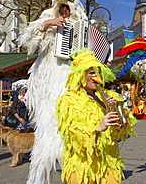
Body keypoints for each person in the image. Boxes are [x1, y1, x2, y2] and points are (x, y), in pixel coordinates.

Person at [18, 0, 88, 183]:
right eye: (62, 7)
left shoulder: (80, 25)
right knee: (48, 126)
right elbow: (27, 38)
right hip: (50, 77)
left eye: (68, 7)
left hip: (69, 77)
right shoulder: (48, 17)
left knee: (71, 126)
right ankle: (41, 175)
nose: (64, 11)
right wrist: (48, 23)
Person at [56, 49, 137, 183]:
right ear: (81, 75)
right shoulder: (68, 100)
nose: (96, 77)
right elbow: (72, 134)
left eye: (98, 73)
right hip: (82, 163)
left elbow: (122, 131)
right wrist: (99, 127)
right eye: (91, 73)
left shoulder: (110, 96)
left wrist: (120, 118)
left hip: (108, 160)